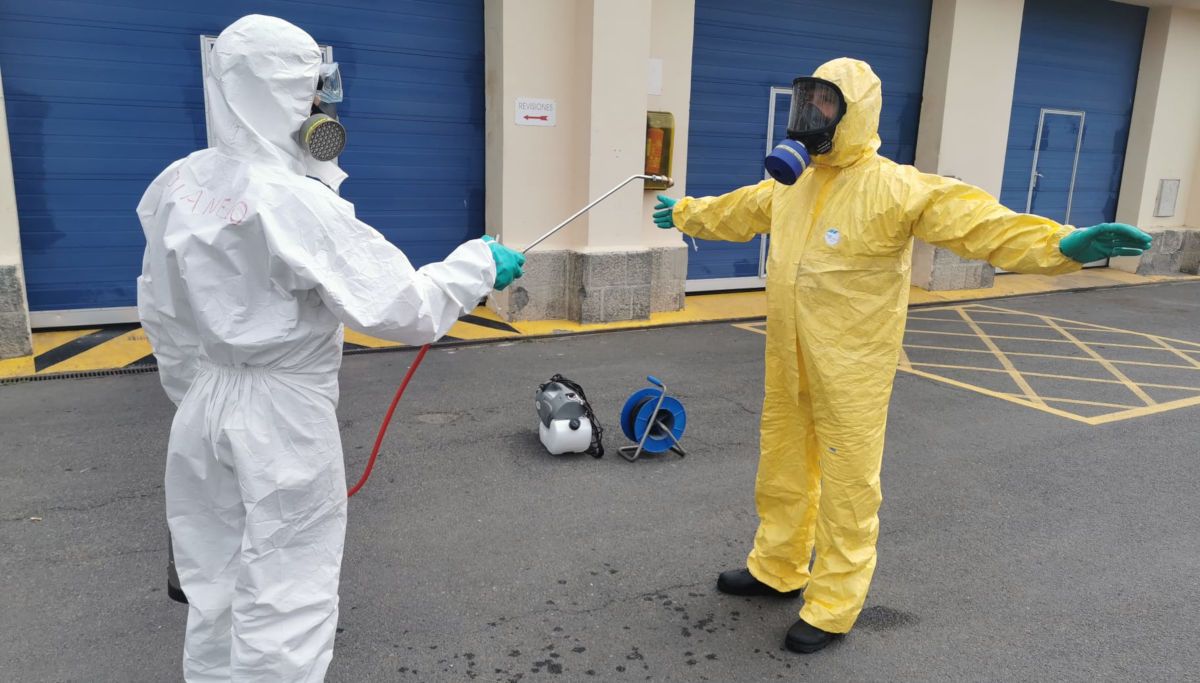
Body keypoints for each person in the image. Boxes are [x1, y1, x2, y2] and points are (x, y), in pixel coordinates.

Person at [652, 57, 1150, 654]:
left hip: (852, 370)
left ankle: (834, 605)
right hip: (788, 358)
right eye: (806, 103)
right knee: (781, 466)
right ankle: (778, 567)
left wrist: (1060, 243)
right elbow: (738, 210)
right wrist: (685, 212)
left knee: (848, 487)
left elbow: (978, 222)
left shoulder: (896, 187)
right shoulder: (794, 184)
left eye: (826, 105)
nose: (812, 116)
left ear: (855, 113)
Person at [136, 15, 524, 681]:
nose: (324, 108)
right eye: (314, 91)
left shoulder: (182, 184)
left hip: (203, 407)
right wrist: (479, 265)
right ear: (283, 93)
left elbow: (162, 313)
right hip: (281, 418)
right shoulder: (295, 203)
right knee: (286, 602)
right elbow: (406, 305)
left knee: (216, 595)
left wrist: (201, 396)